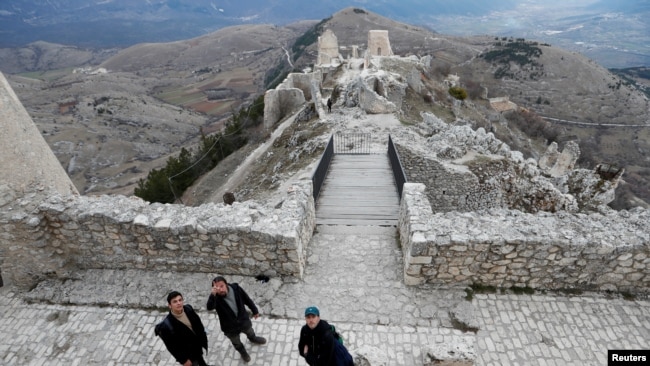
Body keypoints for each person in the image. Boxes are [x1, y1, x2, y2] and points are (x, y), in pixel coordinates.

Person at [206, 276, 266, 363]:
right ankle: (243, 352)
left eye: (221, 286)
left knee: (250, 331)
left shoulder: (236, 289)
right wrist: (212, 295)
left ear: (226, 284)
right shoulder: (216, 298)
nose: (220, 290)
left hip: (243, 321)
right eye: (217, 288)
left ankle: (253, 338)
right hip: (230, 328)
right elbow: (209, 307)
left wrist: (255, 310)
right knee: (236, 343)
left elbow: (247, 299)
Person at [155, 291, 212, 366]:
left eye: (180, 300)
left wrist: (203, 338)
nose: (179, 303)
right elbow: (172, 347)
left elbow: (198, 324)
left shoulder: (188, 309)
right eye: (175, 302)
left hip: (197, 347)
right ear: (170, 305)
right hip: (188, 355)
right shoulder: (167, 326)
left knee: (201, 362)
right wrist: (184, 360)